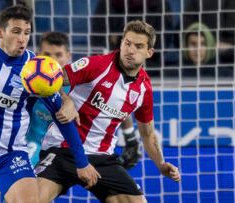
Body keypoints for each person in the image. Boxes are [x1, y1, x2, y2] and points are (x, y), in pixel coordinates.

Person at [0, 5, 99, 203]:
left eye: (27, 33)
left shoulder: (35, 70)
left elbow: (63, 119)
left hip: (10, 154)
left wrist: (82, 162)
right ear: (0, 33)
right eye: (16, 32)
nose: (22, 39)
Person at [36, 20, 181, 203]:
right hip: (61, 148)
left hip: (101, 158)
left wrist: (160, 164)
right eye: (127, 43)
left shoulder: (144, 89)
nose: (130, 50)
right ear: (121, 42)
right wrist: (67, 100)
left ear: (149, 53)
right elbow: (52, 78)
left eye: (138, 46)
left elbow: (147, 133)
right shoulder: (96, 65)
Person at [27, 31, 142, 170]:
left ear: (68, 56)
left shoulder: (83, 81)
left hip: (70, 147)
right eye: (47, 55)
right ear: (38, 55)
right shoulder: (29, 81)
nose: (53, 60)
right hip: (34, 144)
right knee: (29, 186)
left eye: (58, 55)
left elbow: (115, 103)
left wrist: (131, 139)